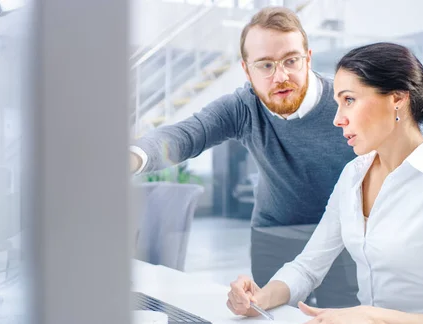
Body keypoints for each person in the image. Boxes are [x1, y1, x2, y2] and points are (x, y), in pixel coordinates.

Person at [227, 42, 423, 324]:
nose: (337, 118)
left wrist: (371, 318)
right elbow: (307, 267)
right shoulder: (353, 175)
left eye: (349, 100)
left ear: (397, 99)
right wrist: (259, 300)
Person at [131, 7, 360, 308]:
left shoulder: (346, 103)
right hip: (275, 229)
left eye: (291, 60)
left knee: (340, 318)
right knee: (269, 318)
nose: (280, 76)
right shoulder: (243, 107)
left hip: (341, 233)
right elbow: (187, 134)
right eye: (265, 65)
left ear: (308, 58)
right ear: (246, 69)